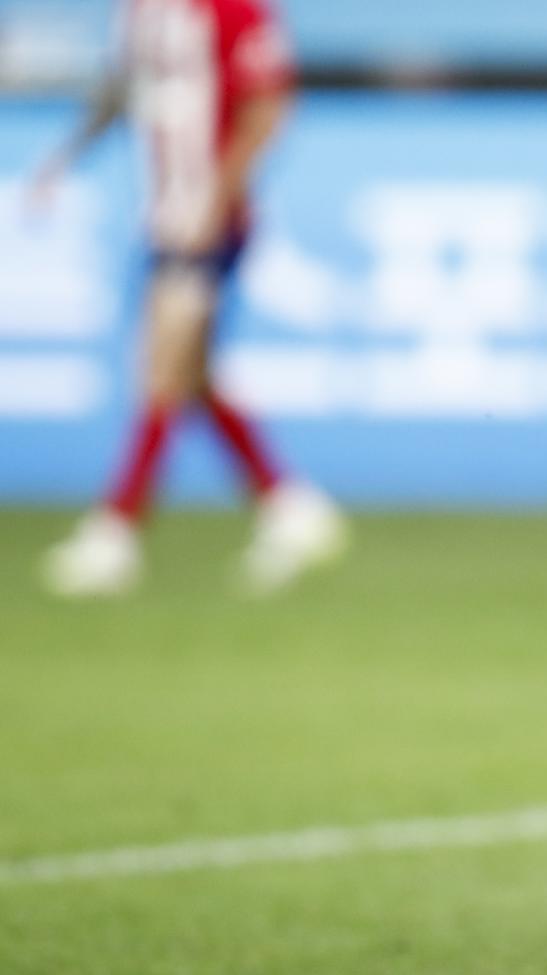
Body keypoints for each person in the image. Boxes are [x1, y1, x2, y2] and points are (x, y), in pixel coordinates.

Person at [32, 0, 346, 598]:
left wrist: (219, 197)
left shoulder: (234, 10)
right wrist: (65, 159)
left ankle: (116, 529)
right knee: (190, 373)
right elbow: (122, 88)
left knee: (161, 361)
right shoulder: (140, 12)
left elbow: (268, 106)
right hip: (163, 217)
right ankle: (290, 505)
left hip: (209, 221)